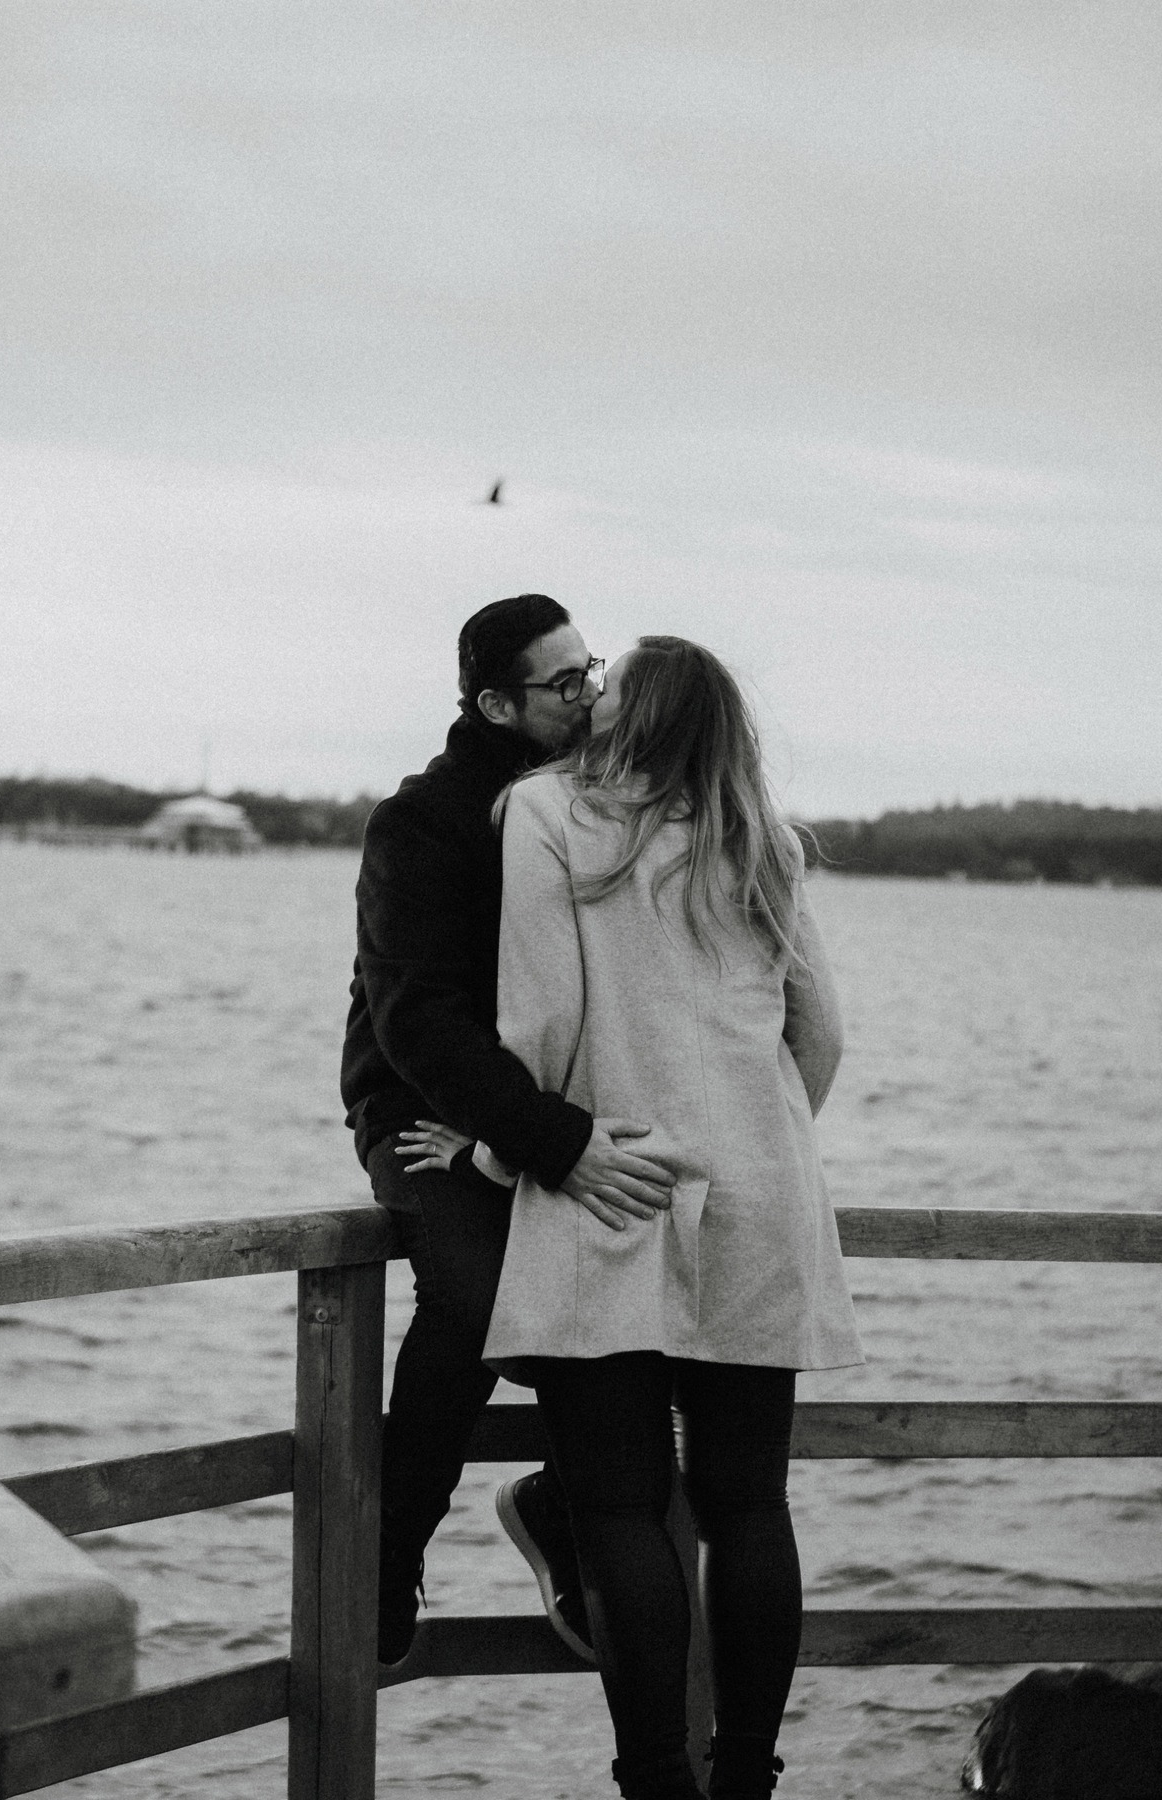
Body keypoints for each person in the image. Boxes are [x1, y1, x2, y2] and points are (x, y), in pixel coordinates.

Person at [473, 636, 864, 1799]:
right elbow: (821, 1034)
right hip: (757, 1188)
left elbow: (538, 1021)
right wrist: (765, 1140)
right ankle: (747, 1774)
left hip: (612, 1181)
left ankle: (655, 1782)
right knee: (749, 1503)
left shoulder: (545, 813)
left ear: (625, 714)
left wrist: (503, 1152)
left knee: (615, 1507)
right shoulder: (764, 840)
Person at [341, 594, 678, 1668]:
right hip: (419, 1107)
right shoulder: (425, 822)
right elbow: (416, 1020)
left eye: (593, 670)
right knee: (481, 1295)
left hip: (552, 1106)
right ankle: (388, 1558)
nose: (589, 696)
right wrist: (549, 1144)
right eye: (563, 683)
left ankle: (563, 1512)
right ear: (494, 701)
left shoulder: (596, 802)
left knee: (616, 1287)